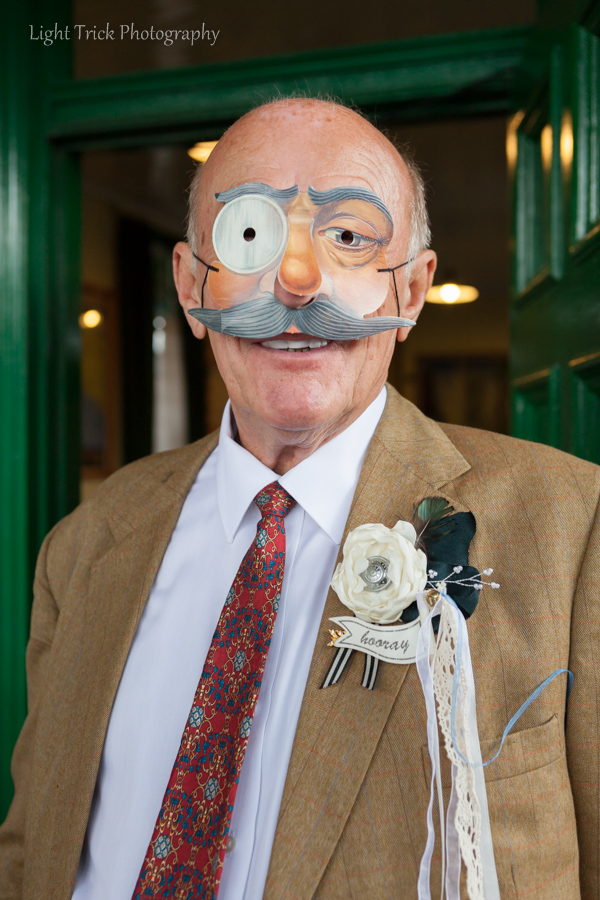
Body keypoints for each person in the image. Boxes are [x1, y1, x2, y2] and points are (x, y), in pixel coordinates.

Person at [0, 97, 599, 900]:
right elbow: (33, 844)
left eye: (349, 238)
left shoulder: (572, 528)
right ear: (189, 283)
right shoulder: (83, 545)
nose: (295, 280)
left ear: (414, 291)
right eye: (250, 234)